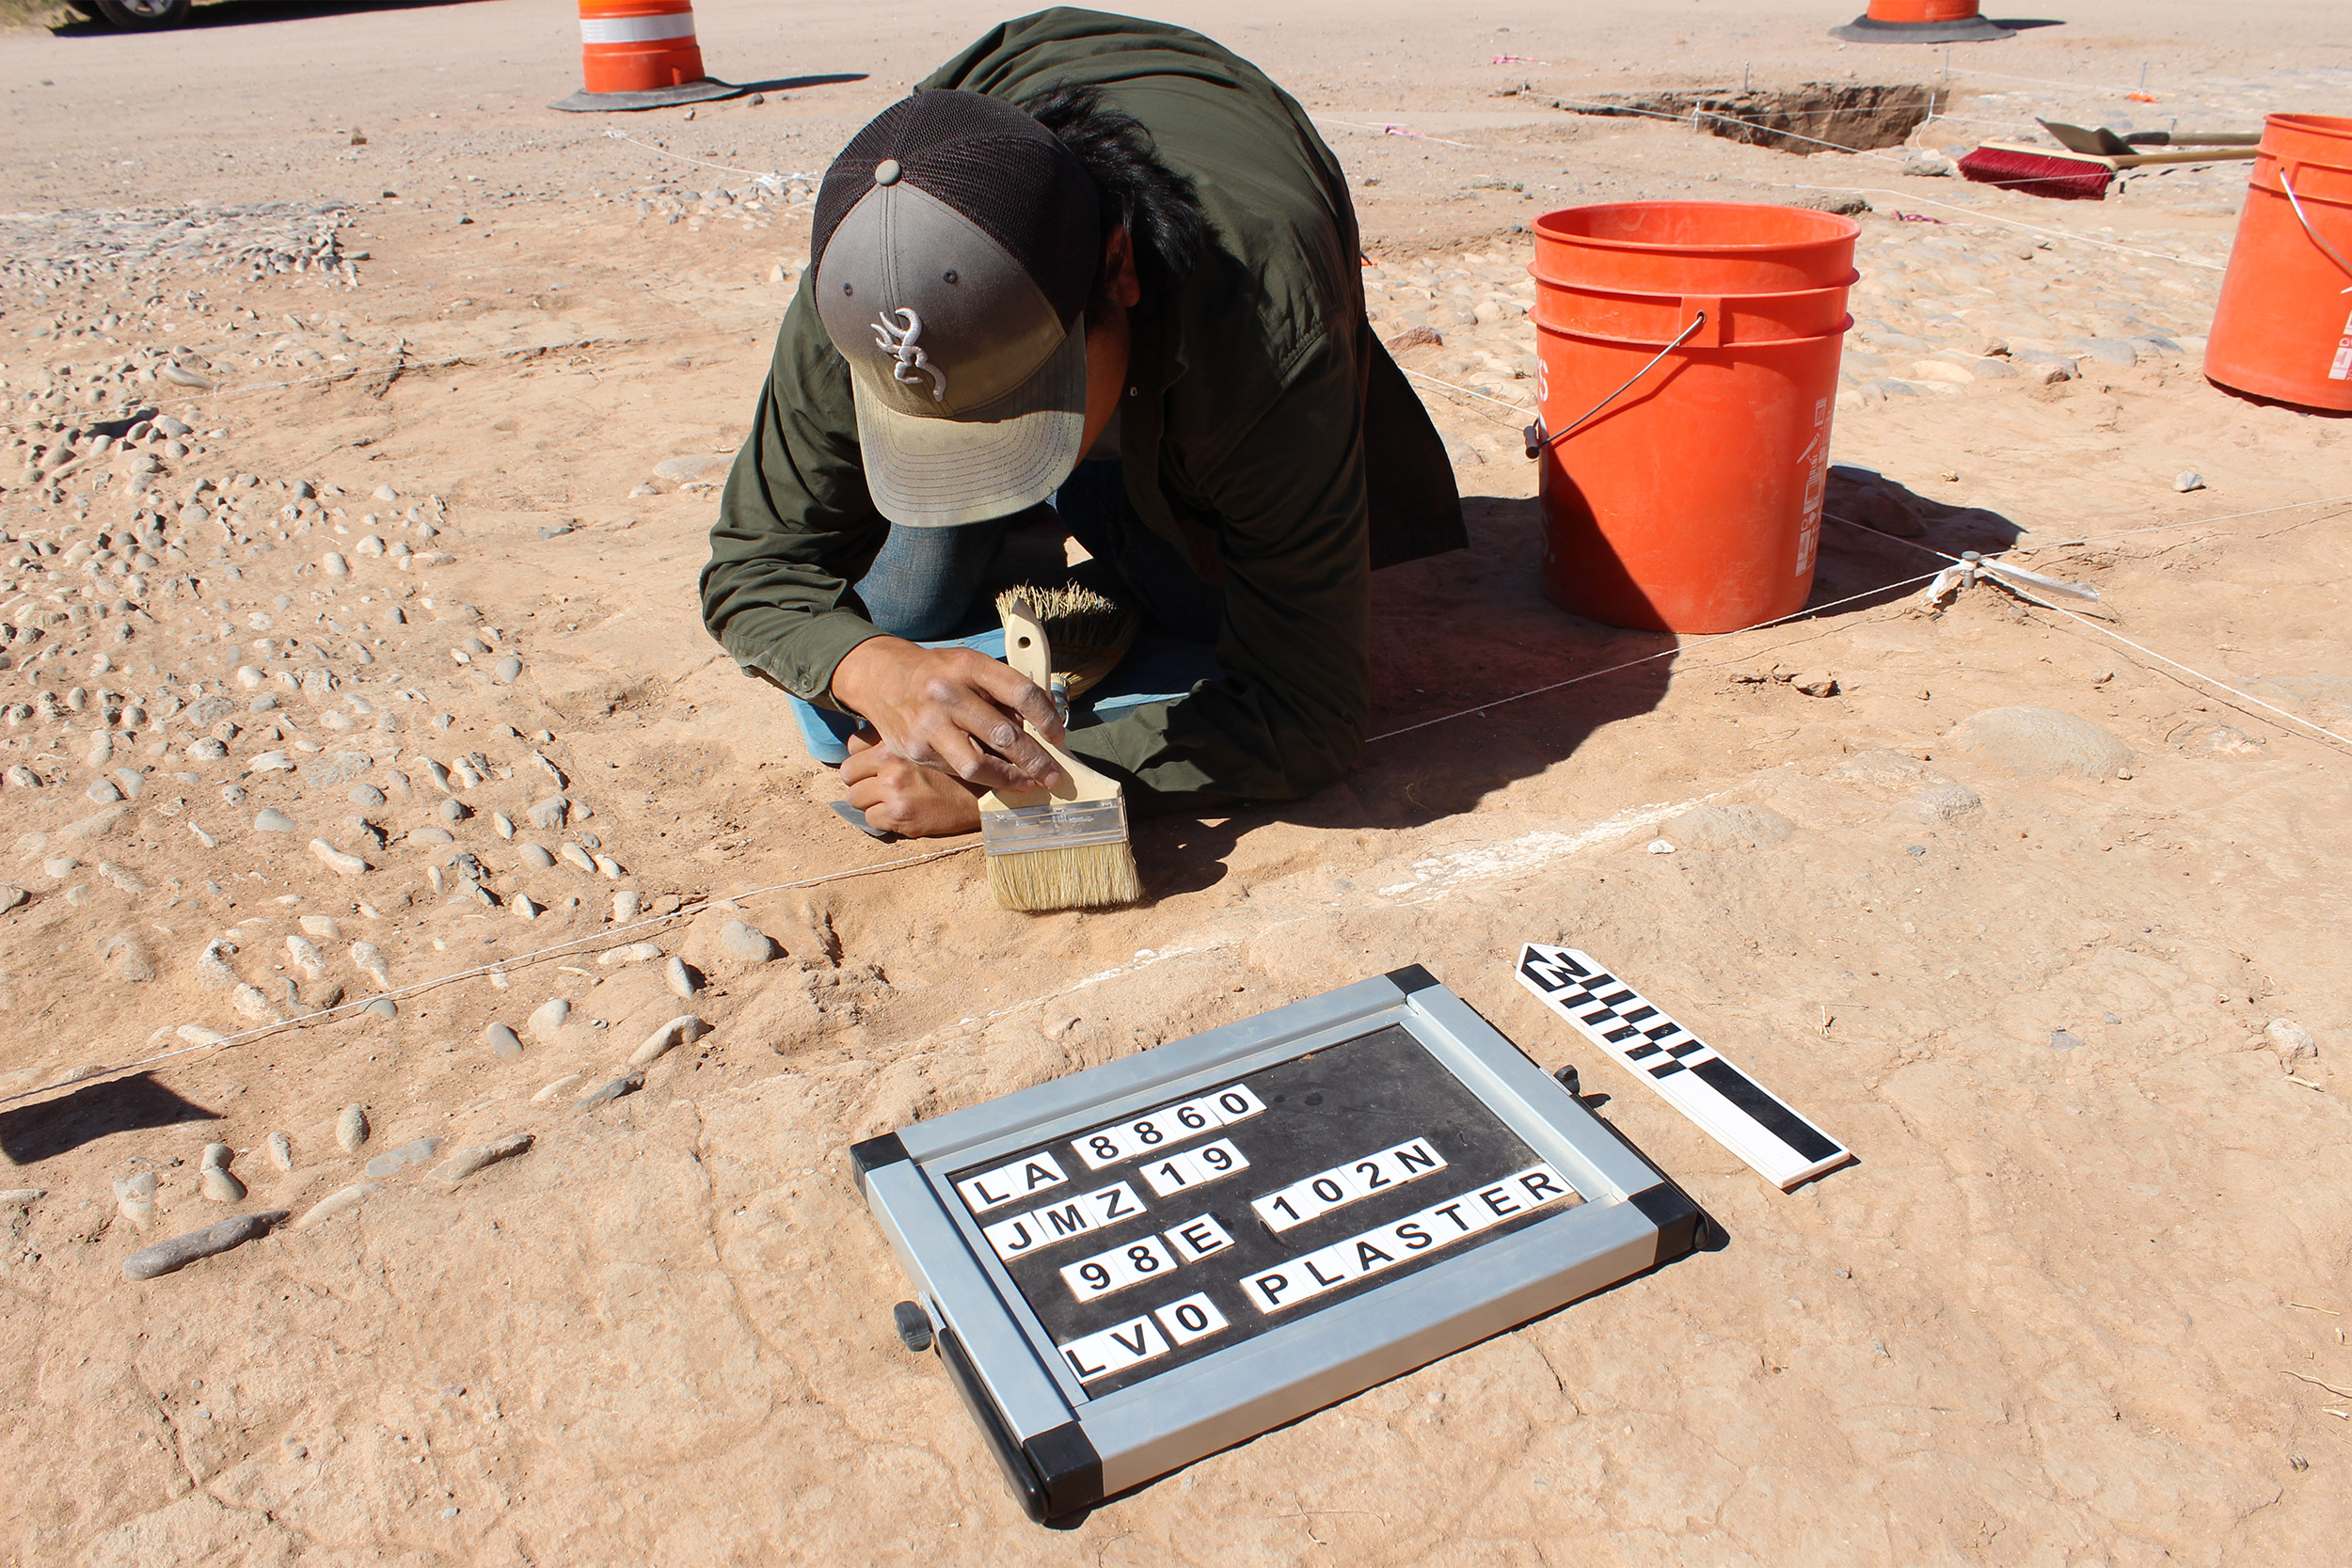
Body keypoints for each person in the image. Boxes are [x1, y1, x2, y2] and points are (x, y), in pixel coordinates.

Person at [699, 8, 1462, 837]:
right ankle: (1027, 546)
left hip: (1212, 298)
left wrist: (1026, 785)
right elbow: (755, 569)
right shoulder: (866, 284)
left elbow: (1310, 710)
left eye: (1023, 409)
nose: (986, 452)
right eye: (946, 427)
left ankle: (1104, 542)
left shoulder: (1263, 326)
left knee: (1211, 613)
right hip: (1011, 182)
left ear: (1119, 271)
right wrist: (874, 667)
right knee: (891, 621)